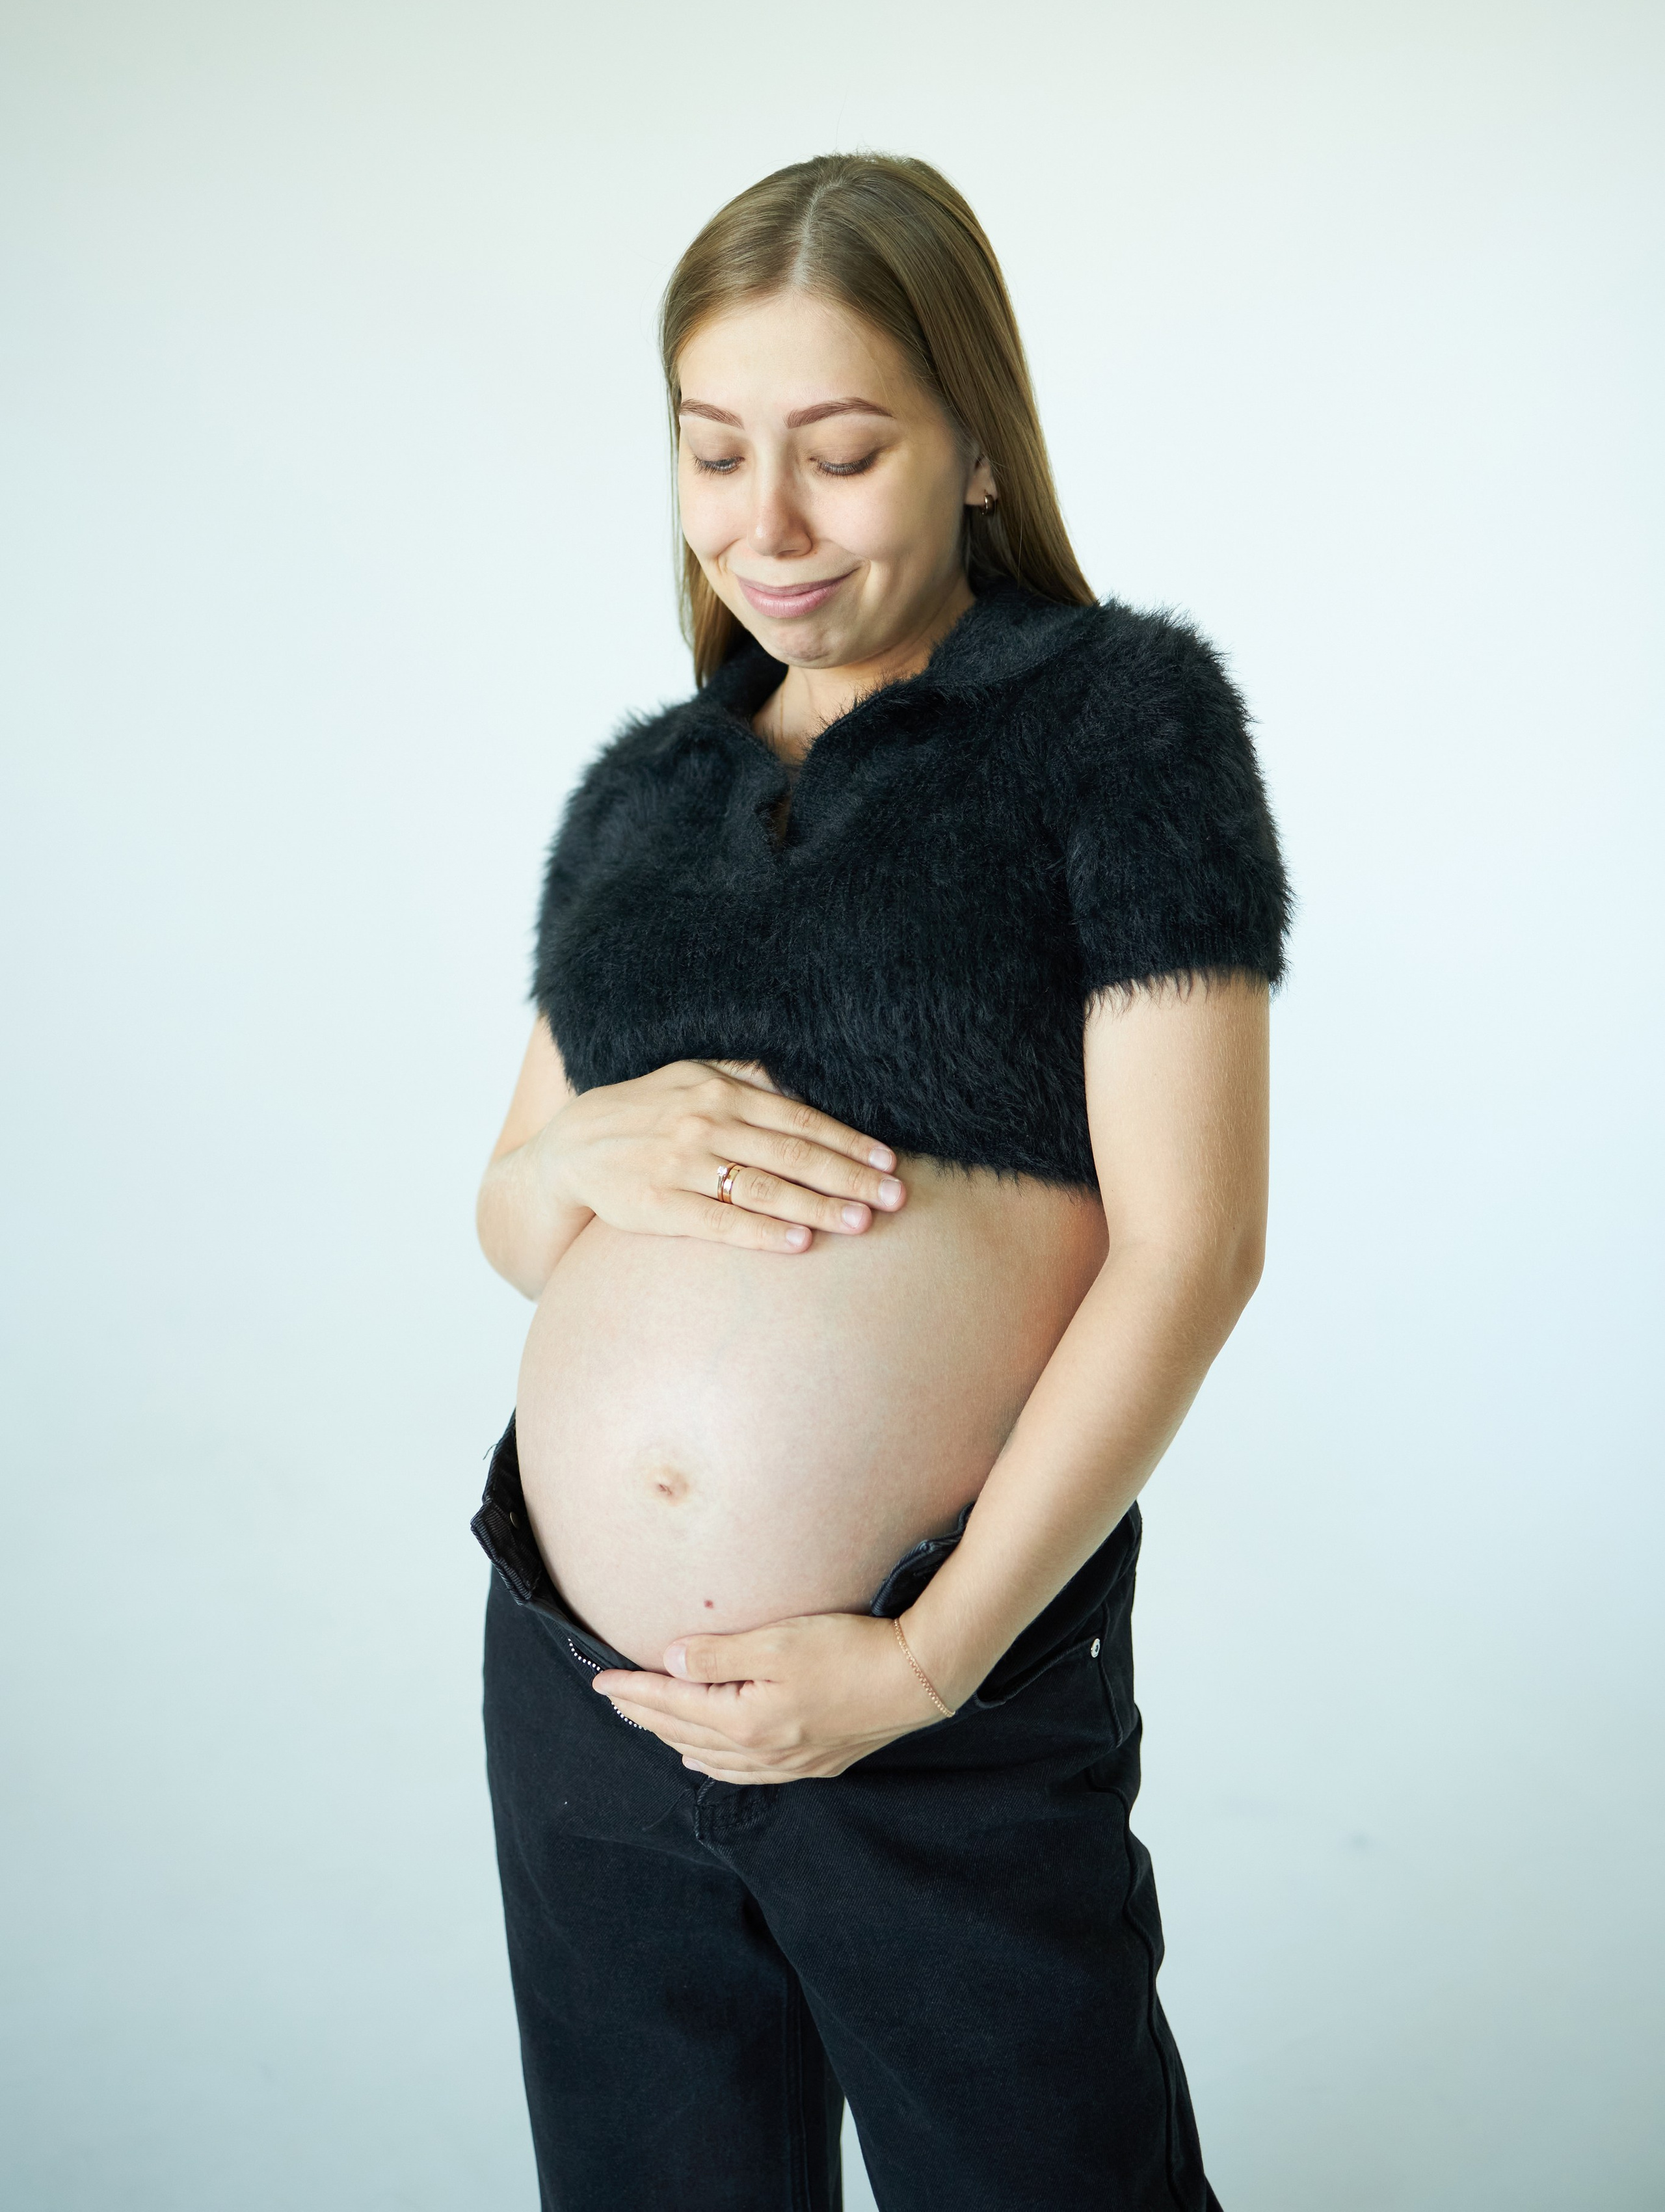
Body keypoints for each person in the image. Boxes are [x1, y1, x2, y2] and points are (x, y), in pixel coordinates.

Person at [472, 152, 1288, 2212]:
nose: (768, 522)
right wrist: (575, 1143)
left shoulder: (1123, 728)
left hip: (938, 1681)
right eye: (714, 449)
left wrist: (920, 1667)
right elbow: (515, 1215)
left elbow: (1192, 1249)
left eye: (841, 453)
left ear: (977, 449)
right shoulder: (651, 794)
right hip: (585, 1701)